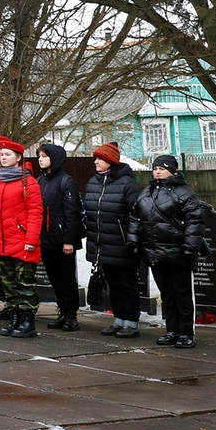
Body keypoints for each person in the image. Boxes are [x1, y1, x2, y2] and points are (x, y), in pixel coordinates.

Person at [134, 154, 209, 348]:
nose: (158, 171)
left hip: (178, 253)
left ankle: (186, 332)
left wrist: (189, 247)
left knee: (182, 295)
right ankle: (172, 330)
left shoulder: (184, 193)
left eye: (162, 168)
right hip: (155, 252)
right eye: (155, 168)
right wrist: (134, 240)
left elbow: (196, 221)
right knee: (166, 294)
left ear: (172, 171)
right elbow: (136, 217)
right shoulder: (147, 192)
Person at [0, 135, 43, 339]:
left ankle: (28, 320)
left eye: (8, 154)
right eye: (1, 154)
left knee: (24, 283)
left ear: (19, 158)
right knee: (8, 284)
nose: (3, 157)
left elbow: (36, 213)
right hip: (3, 242)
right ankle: (15, 316)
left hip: (22, 242)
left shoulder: (29, 183)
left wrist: (31, 240)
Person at [83, 141, 142, 339]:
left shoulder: (127, 184)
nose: (96, 162)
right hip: (103, 244)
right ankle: (119, 319)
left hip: (122, 243)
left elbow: (137, 213)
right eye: (96, 158)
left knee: (128, 284)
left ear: (111, 161)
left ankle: (131, 321)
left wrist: (131, 239)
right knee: (113, 284)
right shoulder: (93, 182)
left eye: (100, 159)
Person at [37, 142, 85, 331]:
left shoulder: (66, 181)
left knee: (67, 279)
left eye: (44, 156)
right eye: (39, 156)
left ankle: (71, 314)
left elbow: (71, 213)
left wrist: (69, 240)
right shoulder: (41, 182)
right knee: (54, 279)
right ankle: (62, 311)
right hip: (46, 239)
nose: (40, 159)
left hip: (62, 240)